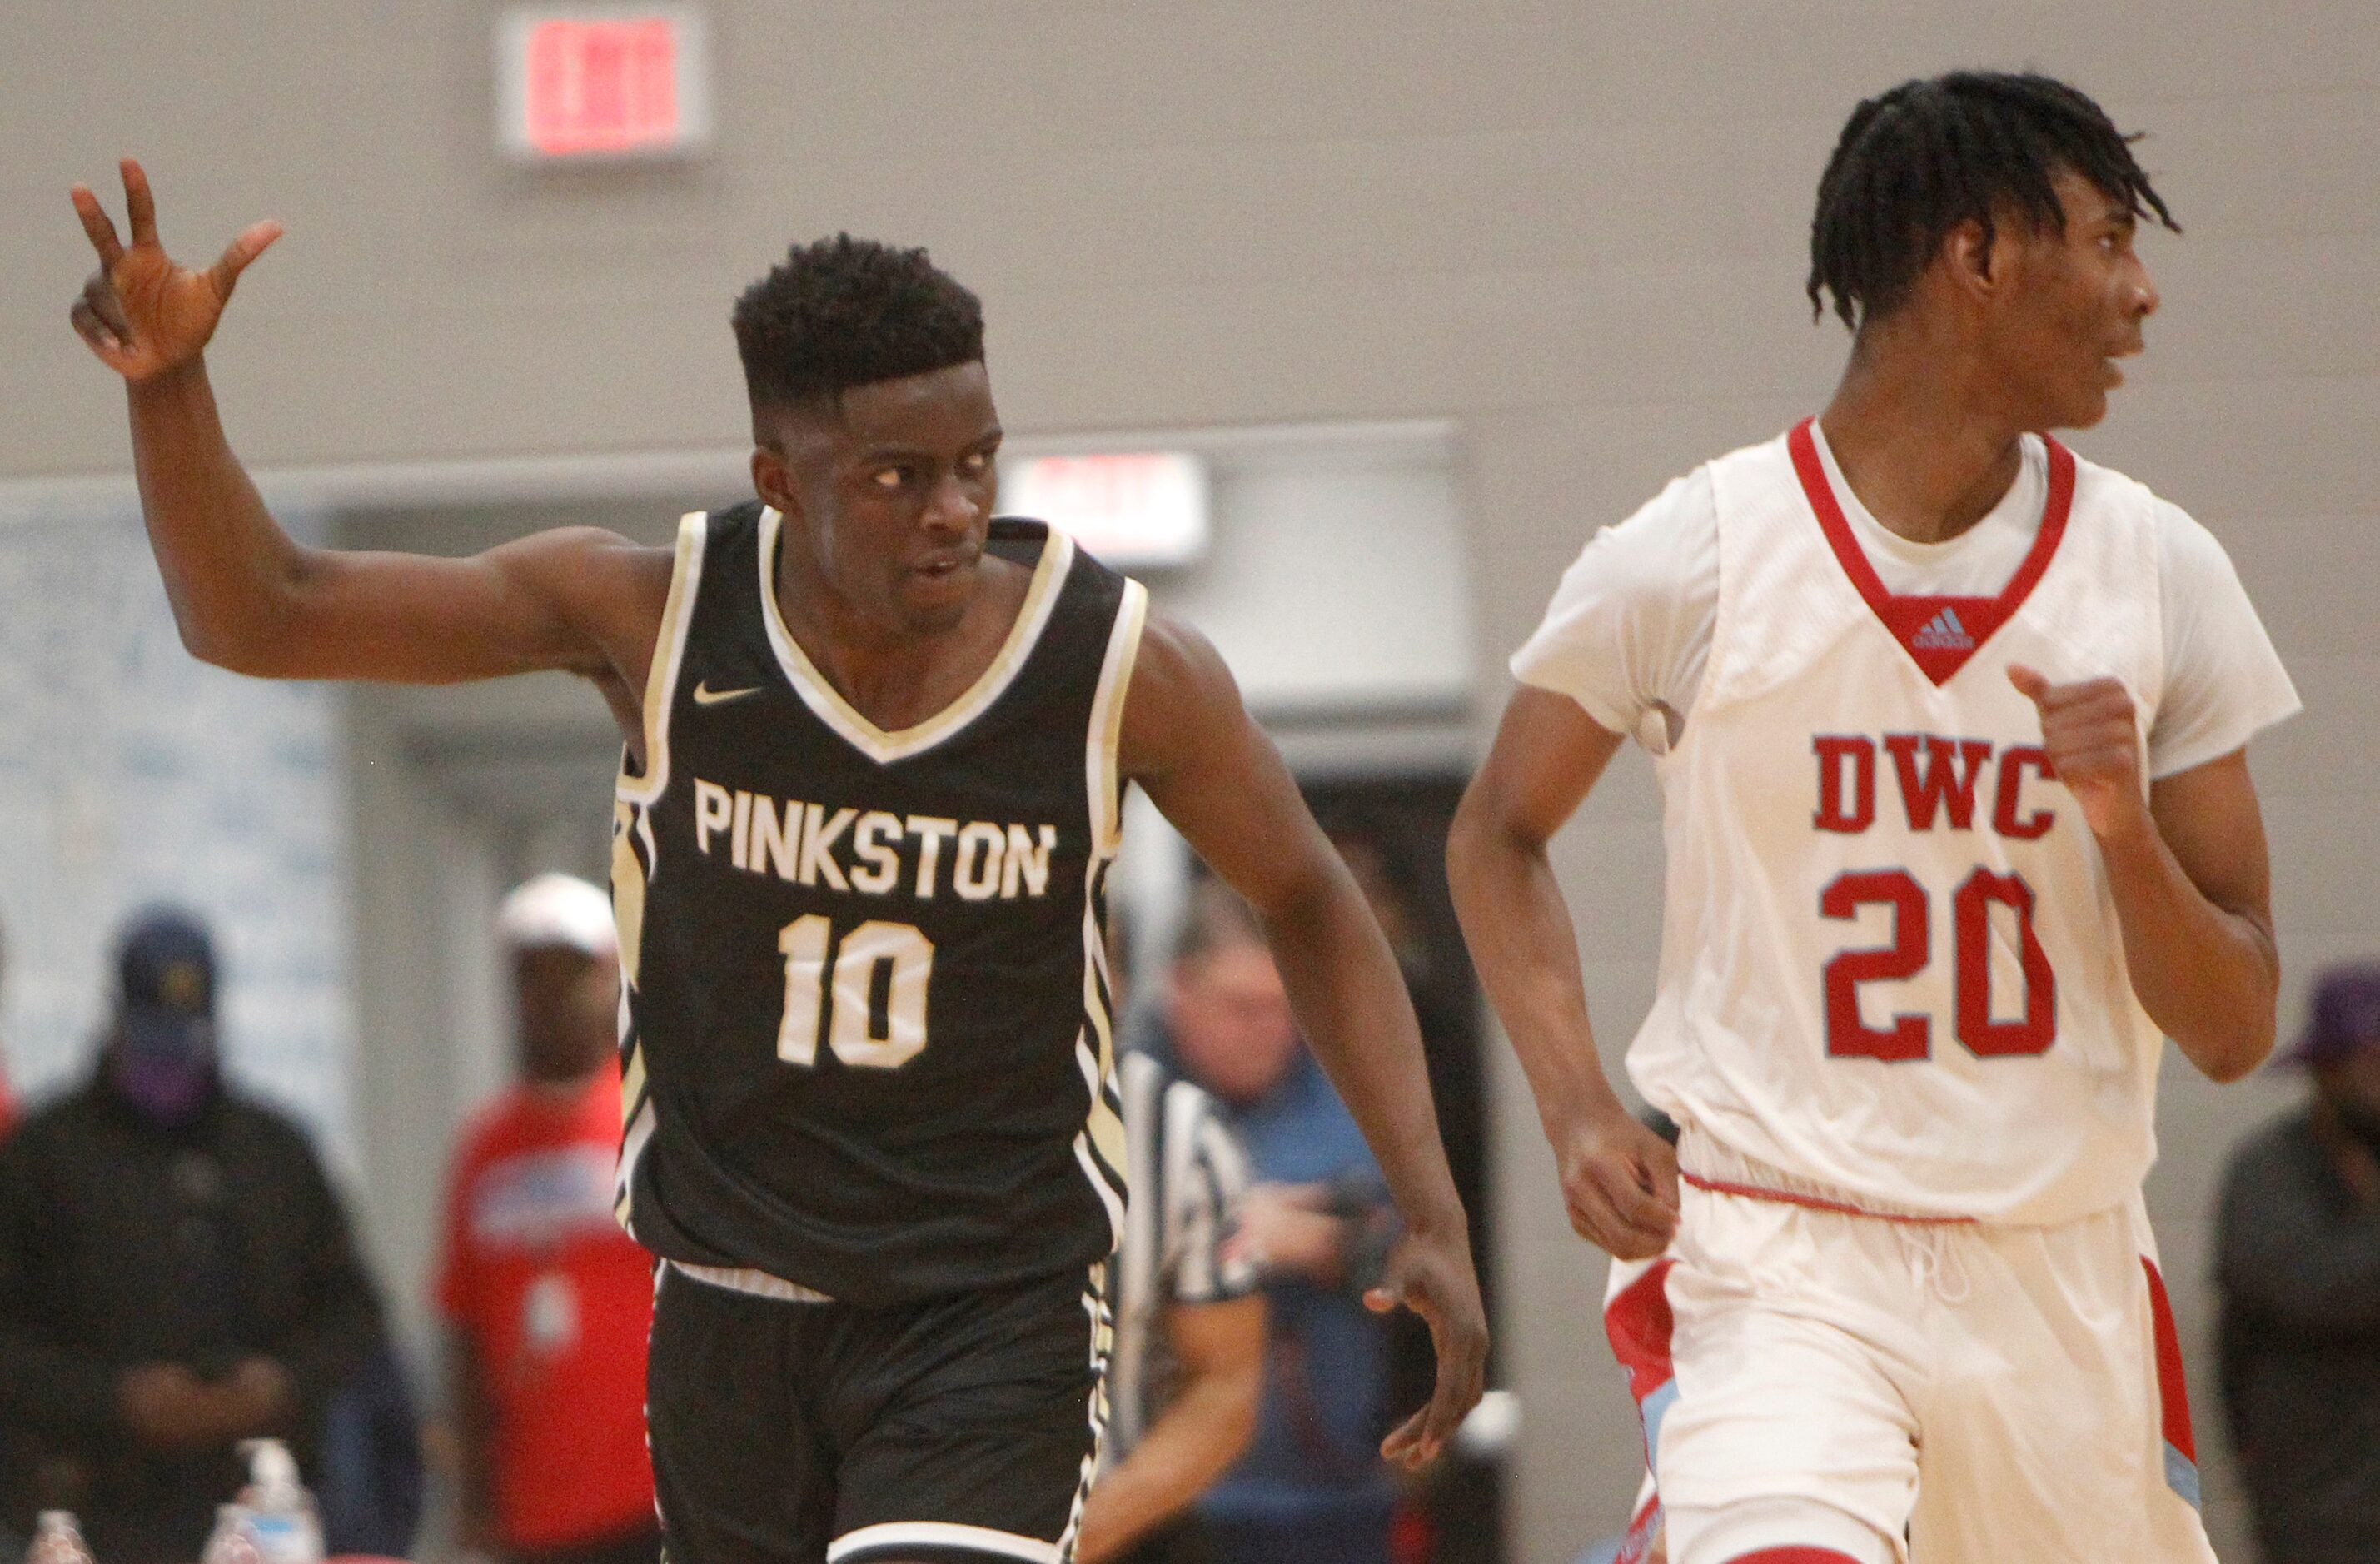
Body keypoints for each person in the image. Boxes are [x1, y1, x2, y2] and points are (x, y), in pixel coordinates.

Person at [65, 167, 1485, 1564]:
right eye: (895, 475)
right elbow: (265, 610)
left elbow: (1305, 889)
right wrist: (167, 388)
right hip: (729, 1315)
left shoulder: (1111, 665)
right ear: (776, 480)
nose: (951, 507)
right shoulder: (653, 617)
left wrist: (1425, 1196)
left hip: (986, 1310)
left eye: (974, 461)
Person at [1447, 70, 2299, 1564]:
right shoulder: (1694, 554)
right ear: (1974, 255)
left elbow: (2233, 1023)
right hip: (1782, 1248)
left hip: (2060, 1270)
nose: (2140, 290)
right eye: (2103, 240)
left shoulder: (2161, 573)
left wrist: (2118, 829)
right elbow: (1494, 834)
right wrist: (1577, 1101)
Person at [0, 908, 388, 1564]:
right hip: (95, 1511)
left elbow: (354, 1317)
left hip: (263, 1514)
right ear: (117, 1020)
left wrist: (278, 1384)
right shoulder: (44, 1157)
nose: (168, 1068)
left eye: (185, 1043)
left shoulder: (274, 1153)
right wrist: (118, 1401)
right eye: (152, 1044)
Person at [1155, 889, 1405, 1564]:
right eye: (1241, 1007)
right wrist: (1244, 1228)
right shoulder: (1128, 1091)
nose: (1265, 1029)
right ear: (1179, 991)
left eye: (1281, 1008)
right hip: (1167, 1495)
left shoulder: (1347, 1086)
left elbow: (1402, 1237)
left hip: (1333, 1491)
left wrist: (1328, 1238)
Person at [436, 874, 658, 1564]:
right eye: (533, 976)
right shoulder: (485, 1150)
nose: (553, 996)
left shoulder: (651, 1125)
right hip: (531, 1516)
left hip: (650, 1499)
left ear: (612, 980)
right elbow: (463, 1329)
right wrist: (472, 1494)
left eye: (574, 973)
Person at [1073, 1040, 1263, 1564]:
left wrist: (1079, 1537)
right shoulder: (875, 1110)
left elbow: (1227, 1384)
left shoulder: (1182, 1129)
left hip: (1113, 1530)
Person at [2217, 963, 2380, 1564]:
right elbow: (2306, 1285)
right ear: (2325, 1068)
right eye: (2367, 1059)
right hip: (2315, 1504)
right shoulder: (2269, 1171)